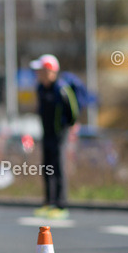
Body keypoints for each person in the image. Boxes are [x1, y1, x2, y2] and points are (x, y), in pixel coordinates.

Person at [30, 53, 77, 219]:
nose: (37, 74)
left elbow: (73, 112)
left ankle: (61, 205)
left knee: (58, 168)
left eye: (40, 70)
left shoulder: (62, 89)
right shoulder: (40, 89)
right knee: (47, 168)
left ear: (50, 71)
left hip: (59, 135)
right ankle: (49, 203)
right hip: (46, 134)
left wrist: (66, 128)